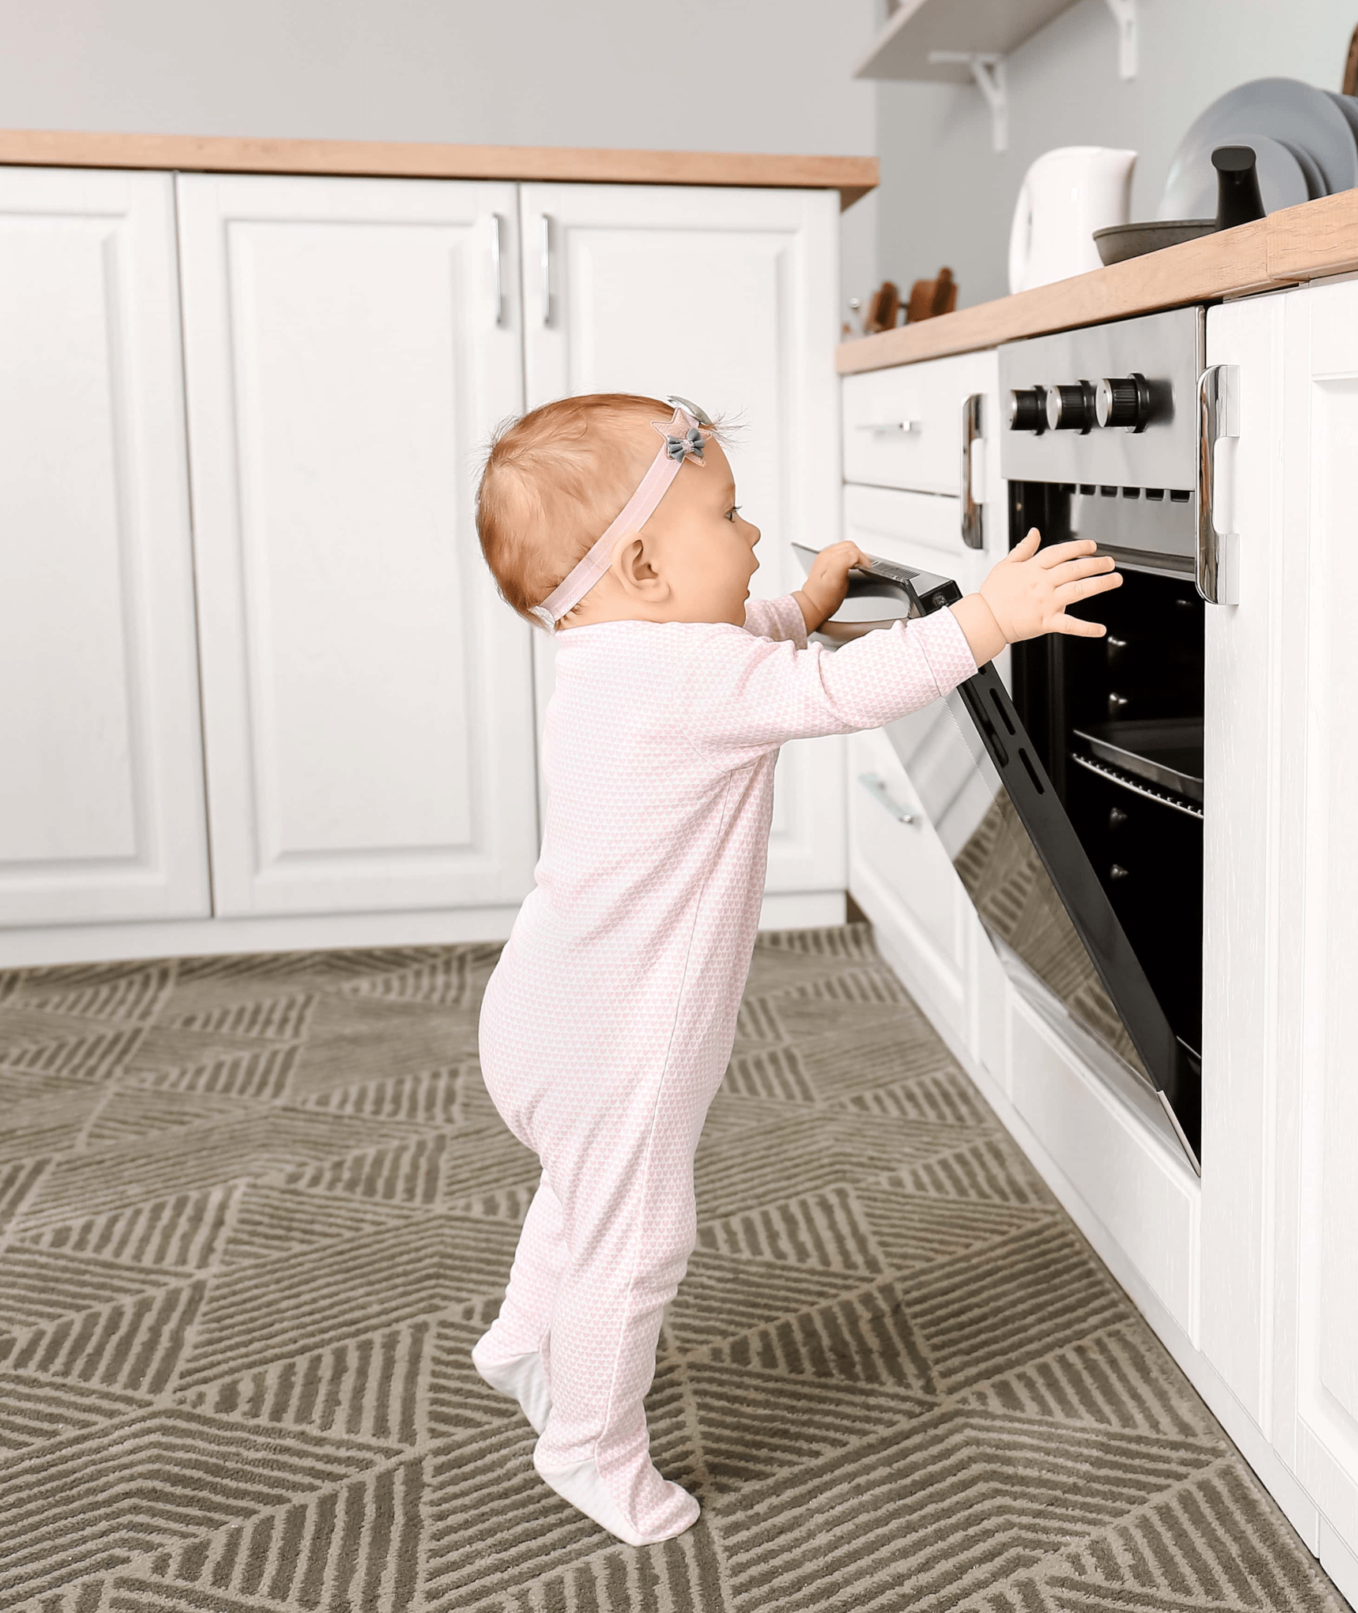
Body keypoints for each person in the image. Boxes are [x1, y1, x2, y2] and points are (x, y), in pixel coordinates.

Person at [466, 391, 1118, 1543]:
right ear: (645, 568)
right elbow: (832, 690)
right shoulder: (689, 677)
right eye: (727, 514)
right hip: (621, 1047)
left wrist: (805, 603)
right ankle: (586, 1448)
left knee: (579, 1192)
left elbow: (742, 648)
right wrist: (986, 618)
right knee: (635, 1240)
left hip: (540, 1017)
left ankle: (523, 1338)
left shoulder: (615, 656)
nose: (755, 534)